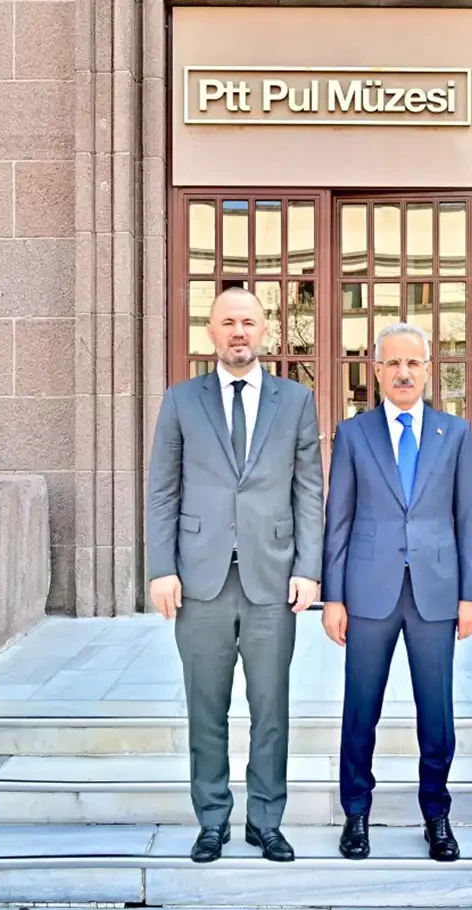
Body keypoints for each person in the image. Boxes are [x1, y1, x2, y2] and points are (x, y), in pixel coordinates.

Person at [146, 287, 324, 864]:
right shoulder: (181, 400)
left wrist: (309, 569)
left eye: (248, 321)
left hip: (272, 580)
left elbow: (309, 491)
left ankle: (266, 822)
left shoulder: (295, 400)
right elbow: (162, 491)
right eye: (228, 322)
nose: (239, 332)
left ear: (265, 330)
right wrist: (161, 569)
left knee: (271, 709)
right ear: (211, 332)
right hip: (200, 581)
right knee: (207, 709)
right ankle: (212, 820)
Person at [320, 321, 472, 863]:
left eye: (413, 363)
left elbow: (469, 517)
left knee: (436, 714)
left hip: (435, 594)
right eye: (393, 363)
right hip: (368, 593)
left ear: (428, 370)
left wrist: (471, 595)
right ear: (377, 371)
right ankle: (356, 814)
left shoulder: (454, 434)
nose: (404, 373)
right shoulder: (353, 434)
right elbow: (338, 521)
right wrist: (333, 598)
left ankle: (436, 815)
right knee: (360, 711)